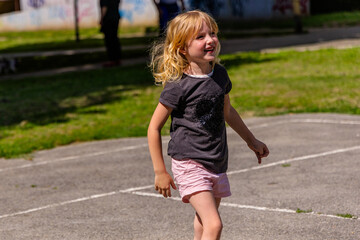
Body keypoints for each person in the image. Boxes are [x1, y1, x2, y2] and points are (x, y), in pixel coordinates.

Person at [148, 10, 269, 240]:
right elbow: (154, 128)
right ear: (183, 48)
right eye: (200, 37)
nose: (210, 40)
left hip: (216, 161)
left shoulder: (220, 75)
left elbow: (228, 112)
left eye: (212, 33)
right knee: (214, 225)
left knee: (203, 223)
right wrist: (160, 171)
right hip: (189, 162)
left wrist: (252, 140)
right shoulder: (178, 85)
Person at [99, 0, 121, 67]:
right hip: (115, 17)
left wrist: (101, 19)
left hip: (108, 19)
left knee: (109, 40)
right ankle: (117, 59)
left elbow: (104, 8)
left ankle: (112, 60)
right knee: (114, 38)